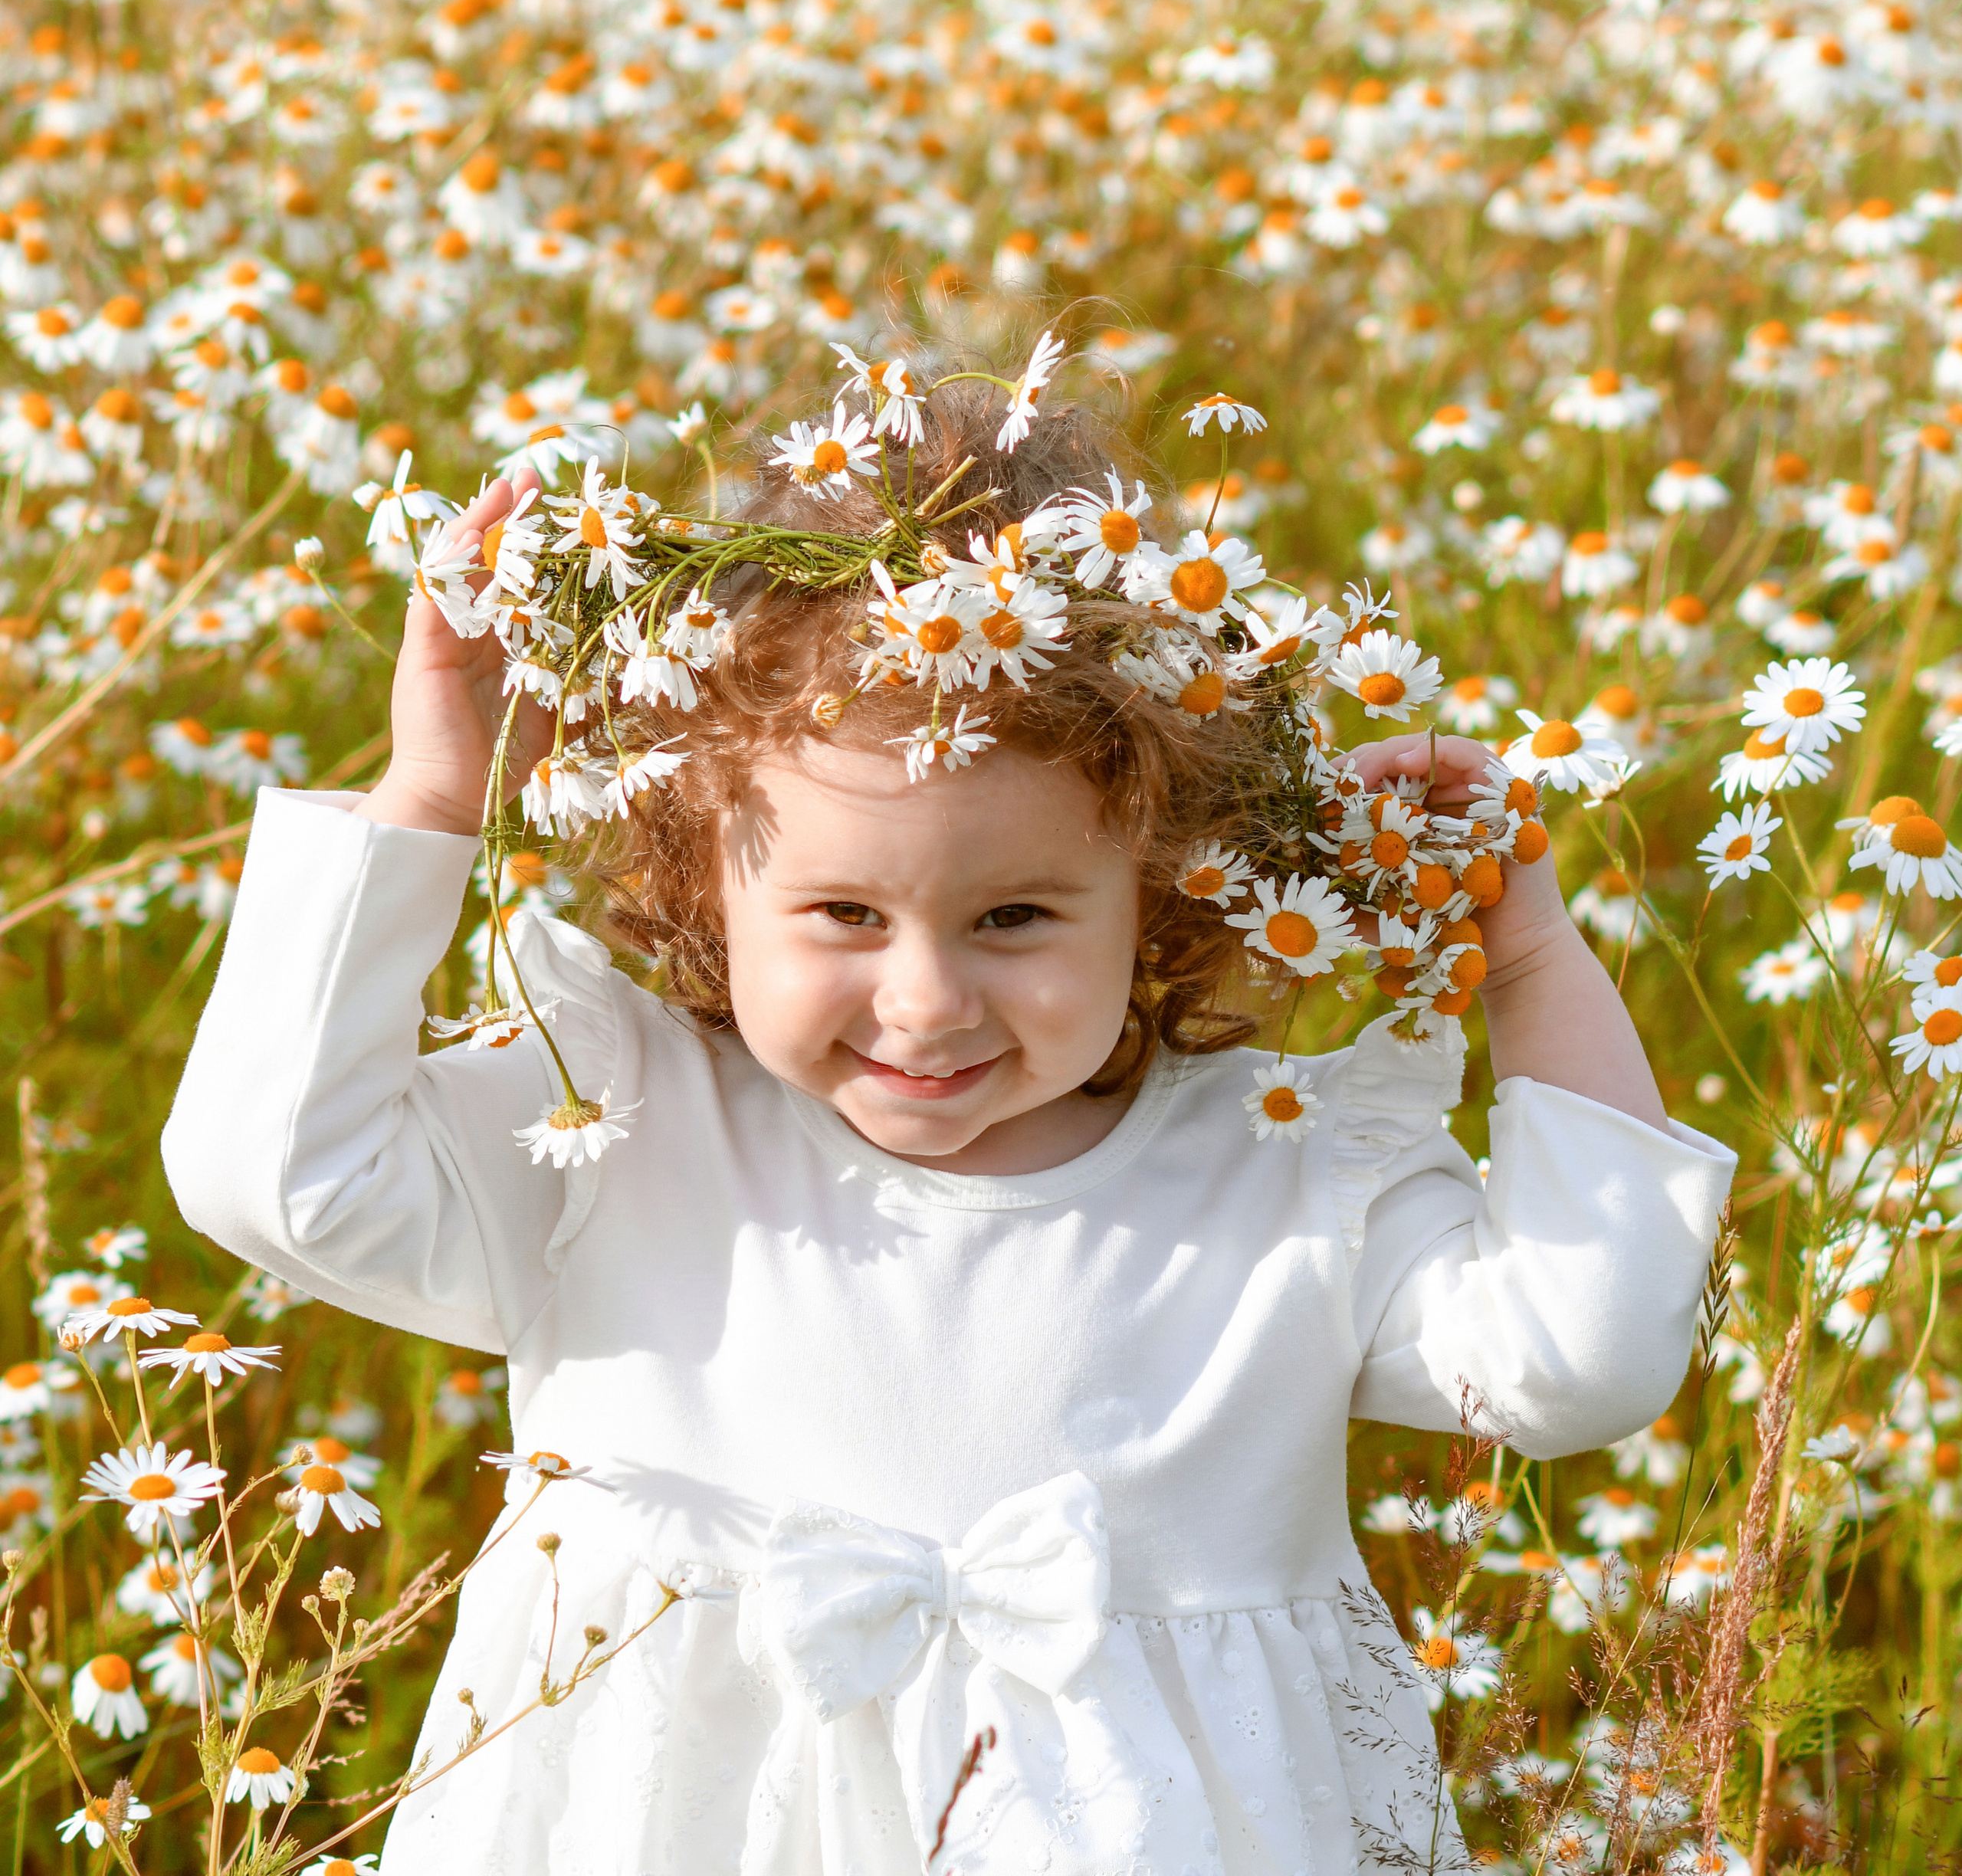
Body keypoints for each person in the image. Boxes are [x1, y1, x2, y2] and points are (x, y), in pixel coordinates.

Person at [162, 374, 1735, 1876]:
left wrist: (1521, 956)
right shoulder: (618, 1118)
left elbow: (1578, 1356)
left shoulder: (1277, 1180)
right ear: (704, 883)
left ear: (1159, 885)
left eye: (1013, 914)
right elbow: (280, 1178)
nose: (923, 1000)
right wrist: (434, 789)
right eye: (842, 909)